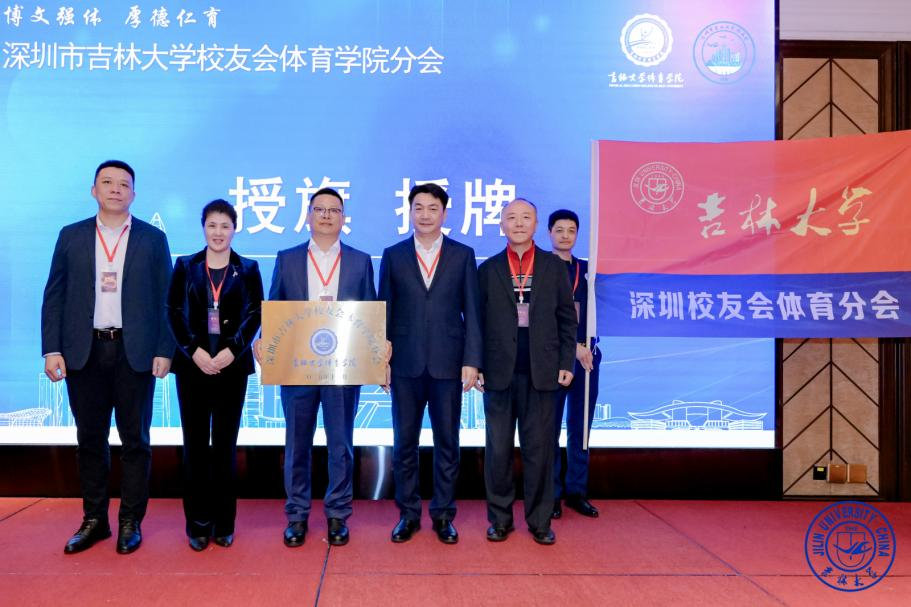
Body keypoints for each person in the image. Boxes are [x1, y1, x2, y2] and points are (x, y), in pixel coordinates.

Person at [41, 160, 175, 555]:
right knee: (90, 439)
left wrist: (164, 349)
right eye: (107, 182)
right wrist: (52, 349)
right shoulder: (71, 236)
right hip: (84, 351)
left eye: (123, 184)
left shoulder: (152, 239)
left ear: (134, 193)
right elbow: (54, 295)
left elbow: (167, 299)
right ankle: (94, 519)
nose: (116, 189)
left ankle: (131, 521)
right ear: (94, 190)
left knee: (136, 441)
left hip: (135, 352)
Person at [254, 187, 376, 548]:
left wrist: (377, 349)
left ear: (343, 218)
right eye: (319, 209)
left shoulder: (359, 261)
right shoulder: (288, 258)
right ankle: (297, 515)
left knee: (341, 445)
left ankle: (338, 514)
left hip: (343, 368)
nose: (326, 215)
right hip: (297, 367)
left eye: (333, 210)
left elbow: (369, 312)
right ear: (308, 216)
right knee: (297, 444)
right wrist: (263, 338)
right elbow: (275, 305)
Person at [378, 183, 482, 545]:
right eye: (418, 208)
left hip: (448, 364)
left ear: (444, 213)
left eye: (432, 208)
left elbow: (473, 311)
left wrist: (472, 360)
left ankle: (443, 515)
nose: (425, 214)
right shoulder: (393, 255)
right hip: (404, 364)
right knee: (404, 444)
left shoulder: (462, 255)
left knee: (447, 443)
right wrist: (380, 361)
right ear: (409, 212)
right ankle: (408, 514)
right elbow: (383, 312)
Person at [476, 198, 577, 545]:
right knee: (498, 451)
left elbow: (567, 320)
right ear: (501, 225)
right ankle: (500, 520)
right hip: (498, 373)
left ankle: (540, 521)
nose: (518, 223)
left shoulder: (553, 267)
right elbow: (477, 323)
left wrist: (565, 362)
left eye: (526, 217)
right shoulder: (488, 269)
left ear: (535, 225)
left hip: (543, 372)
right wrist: (477, 364)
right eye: (511, 217)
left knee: (540, 451)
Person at [166, 199, 263, 551]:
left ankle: (224, 523)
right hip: (192, 368)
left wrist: (231, 351)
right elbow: (173, 311)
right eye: (212, 225)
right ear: (203, 228)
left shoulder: (248, 269)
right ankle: (197, 524)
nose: (218, 232)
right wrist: (194, 351)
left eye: (225, 226)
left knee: (224, 446)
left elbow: (255, 314)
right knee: (194, 447)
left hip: (231, 369)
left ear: (234, 229)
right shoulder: (185, 265)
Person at [547, 209, 601, 520]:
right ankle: (552, 494)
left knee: (580, 427)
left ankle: (577, 491)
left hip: (587, 359)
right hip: (552, 358)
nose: (565, 235)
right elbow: (540, 318)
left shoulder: (588, 271)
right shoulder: (541, 269)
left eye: (571, 231)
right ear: (549, 233)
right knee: (549, 428)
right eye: (559, 230)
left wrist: (585, 348)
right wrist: (572, 348)